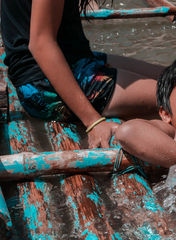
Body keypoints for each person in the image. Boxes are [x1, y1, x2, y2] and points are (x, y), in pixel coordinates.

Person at [1, 0, 163, 148]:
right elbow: (41, 45)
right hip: (45, 84)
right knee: (175, 95)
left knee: (173, 76)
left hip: (74, 61)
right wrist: (93, 121)